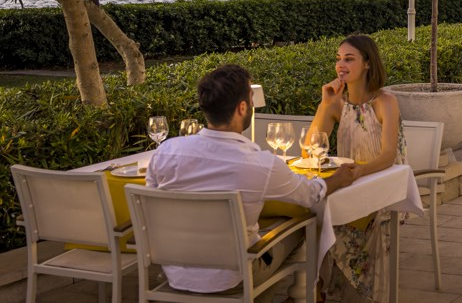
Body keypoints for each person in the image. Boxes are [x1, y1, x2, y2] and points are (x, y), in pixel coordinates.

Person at [146, 64, 353, 298]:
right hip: (234, 277)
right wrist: (337, 179)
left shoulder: (167, 151)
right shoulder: (260, 164)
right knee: (302, 226)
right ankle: (298, 296)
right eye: (251, 99)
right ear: (242, 107)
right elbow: (310, 194)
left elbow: (152, 202)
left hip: (176, 272)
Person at [303, 34, 406, 302]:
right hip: (347, 182)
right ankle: (318, 289)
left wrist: (359, 172)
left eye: (349, 59)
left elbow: (388, 155)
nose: (341, 65)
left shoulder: (385, 102)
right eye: (338, 59)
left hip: (381, 184)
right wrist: (325, 105)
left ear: (368, 64)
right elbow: (309, 149)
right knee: (314, 217)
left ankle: (342, 291)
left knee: (330, 219)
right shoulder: (336, 102)